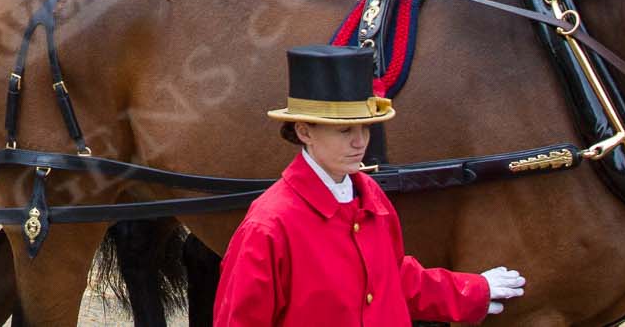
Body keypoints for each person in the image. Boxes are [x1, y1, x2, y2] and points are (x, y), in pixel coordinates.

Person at [213, 46, 525, 325]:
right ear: (304, 131)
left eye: (365, 127)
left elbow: (394, 280)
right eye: (345, 129)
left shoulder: (370, 195)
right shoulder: (268, 226)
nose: (360, 142)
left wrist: (471, 291)